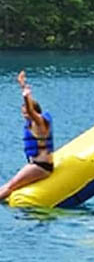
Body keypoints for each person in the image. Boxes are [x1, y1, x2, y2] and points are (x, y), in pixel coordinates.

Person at [0, 70, 55, 201]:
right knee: (7, 184)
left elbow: (30, 109)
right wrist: (22, 85)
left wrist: (25, 95)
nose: (24, 116)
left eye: (26, 113)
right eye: (23, 113)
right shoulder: (33, 122)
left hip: (42, 166)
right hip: (36, 164)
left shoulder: (40, 122)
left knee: (11, 186)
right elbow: (30, 107)